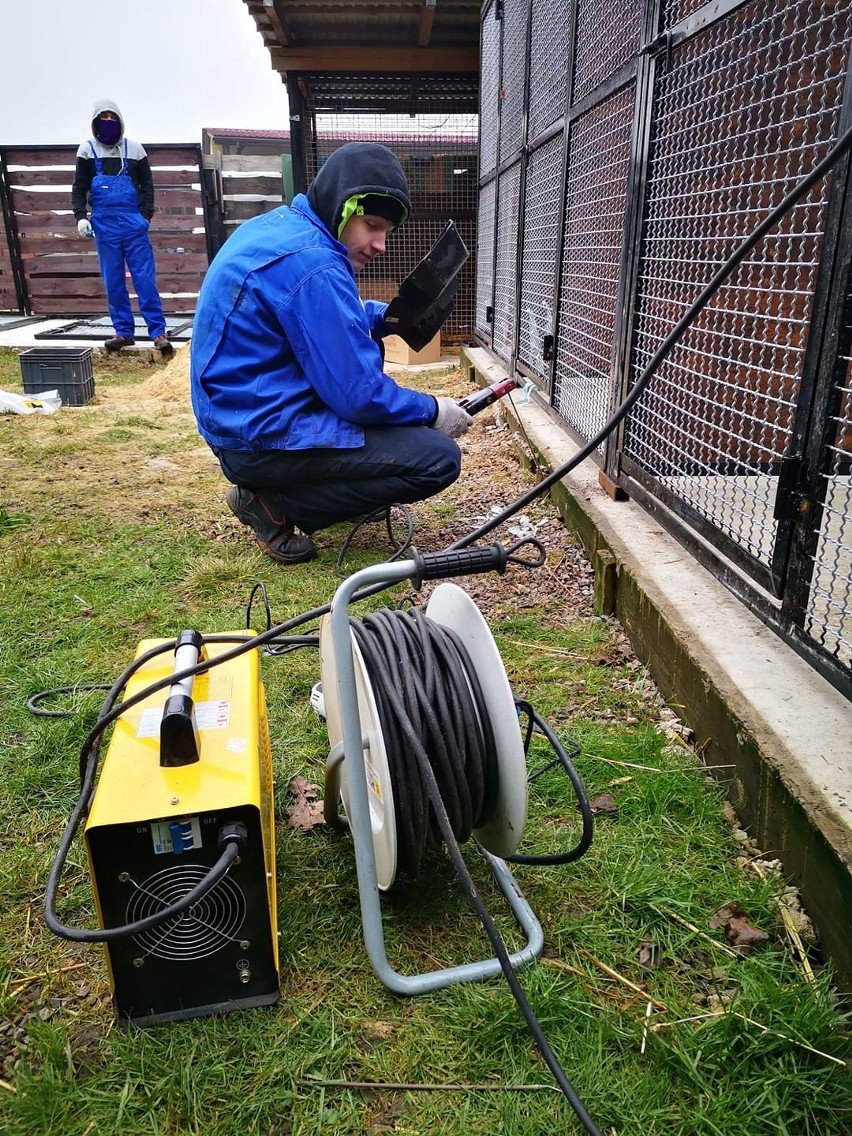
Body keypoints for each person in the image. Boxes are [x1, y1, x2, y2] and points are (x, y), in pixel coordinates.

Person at [190, 141, 472, 566]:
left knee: (393, 451)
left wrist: (386, 316)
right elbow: (359, 395)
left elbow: (315, 314)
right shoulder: (314, 265)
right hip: (258, 437)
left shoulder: (287, 229)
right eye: (372, 225)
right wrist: (433, 410)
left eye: (387, 233)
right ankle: (272, 506)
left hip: (241, 418)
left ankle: (328, 490)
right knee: (437, 459)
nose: (380, 244)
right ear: (344, 206)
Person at [72, 98, 173, 357]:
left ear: (119, 119)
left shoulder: (135, 149)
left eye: (111, 117)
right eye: (102, 118)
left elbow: (147, 186)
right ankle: (123, 332)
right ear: (95, 121)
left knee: (145, 280)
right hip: (104, 226)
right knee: (113, 281)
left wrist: (146, 216)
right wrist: (81, 216)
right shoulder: (86, 150)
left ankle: (158, 332)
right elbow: (79, 187)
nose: (108, 122)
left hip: (133, 225)